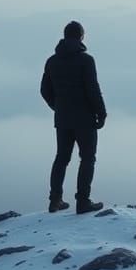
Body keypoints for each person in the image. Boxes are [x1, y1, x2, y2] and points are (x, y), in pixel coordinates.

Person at [40, 20, 107, 214]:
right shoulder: (86, 60)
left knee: (61, 158)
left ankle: (55, 201)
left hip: (62, 119)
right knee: (87, 158)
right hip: (85, 118)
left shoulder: (52, 61)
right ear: (81, 37)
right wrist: (101, 113)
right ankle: (83, 202)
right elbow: (93, 89)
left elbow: (44, 90)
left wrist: (58, 107)